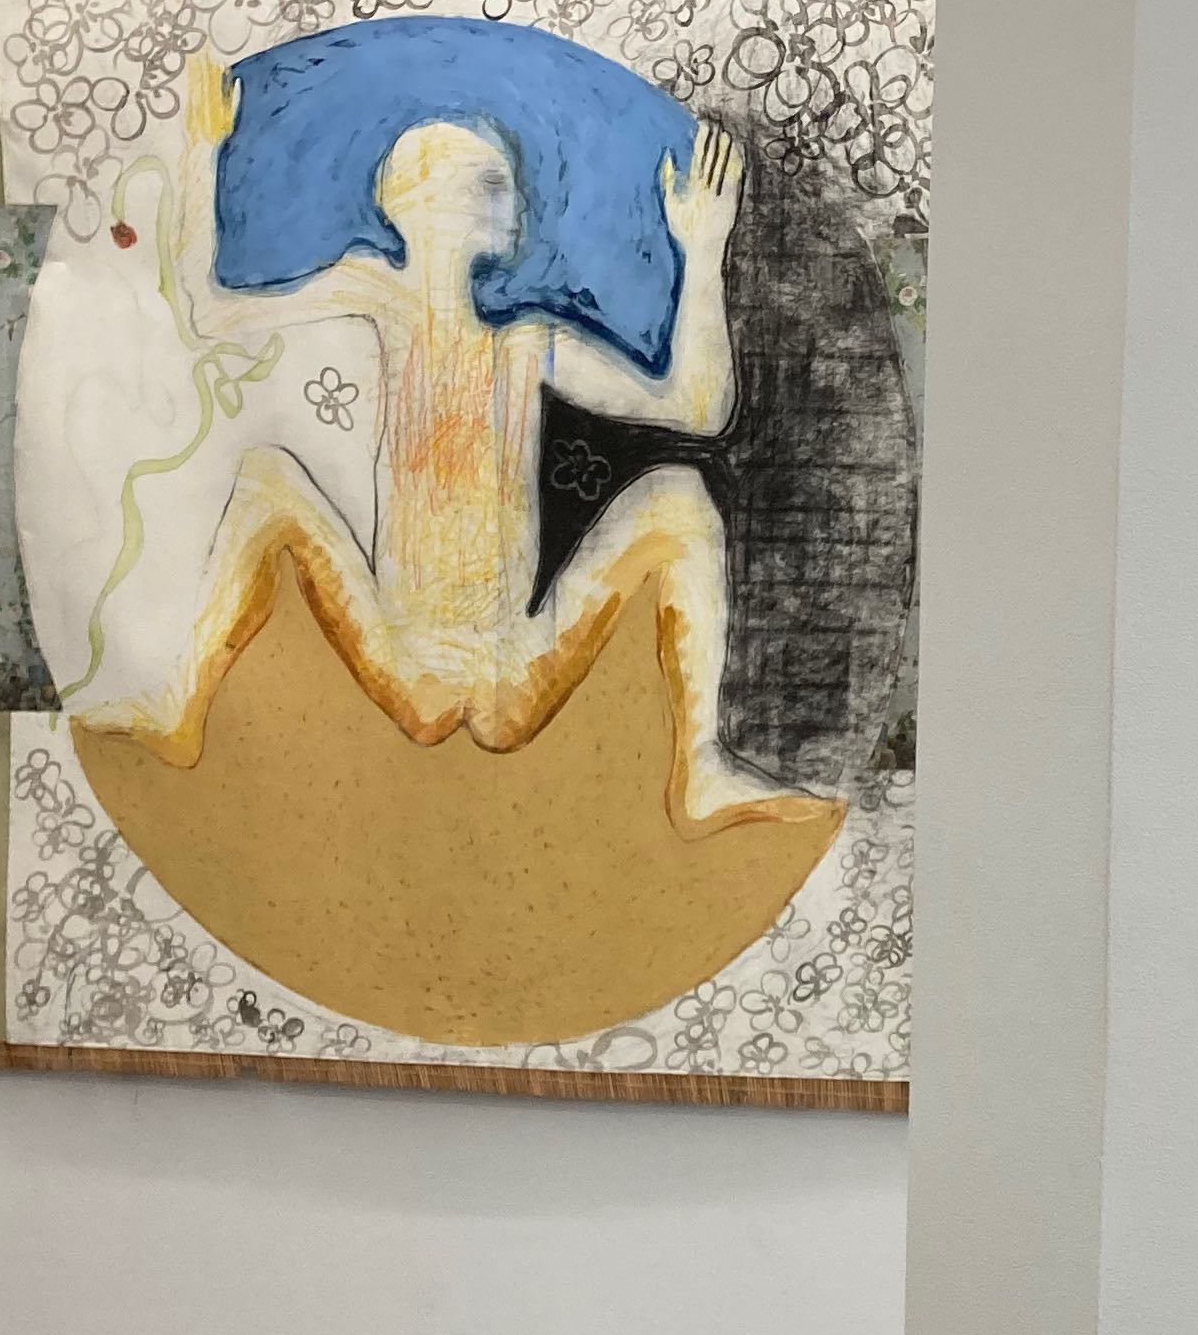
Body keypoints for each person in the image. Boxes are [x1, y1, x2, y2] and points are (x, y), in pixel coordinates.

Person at [82, 46, 821, 838]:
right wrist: (202, 157)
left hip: (516, 669)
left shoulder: (527, 343)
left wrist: (702, 251)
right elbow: (208, 313)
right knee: (266, 477)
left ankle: (701, 766)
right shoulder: (374, 293)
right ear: (399, 202)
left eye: (500, 186)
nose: (501, 202)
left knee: (680, 498)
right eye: (477, 182)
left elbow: (700, 410)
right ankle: (179, 707)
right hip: (406, 659)